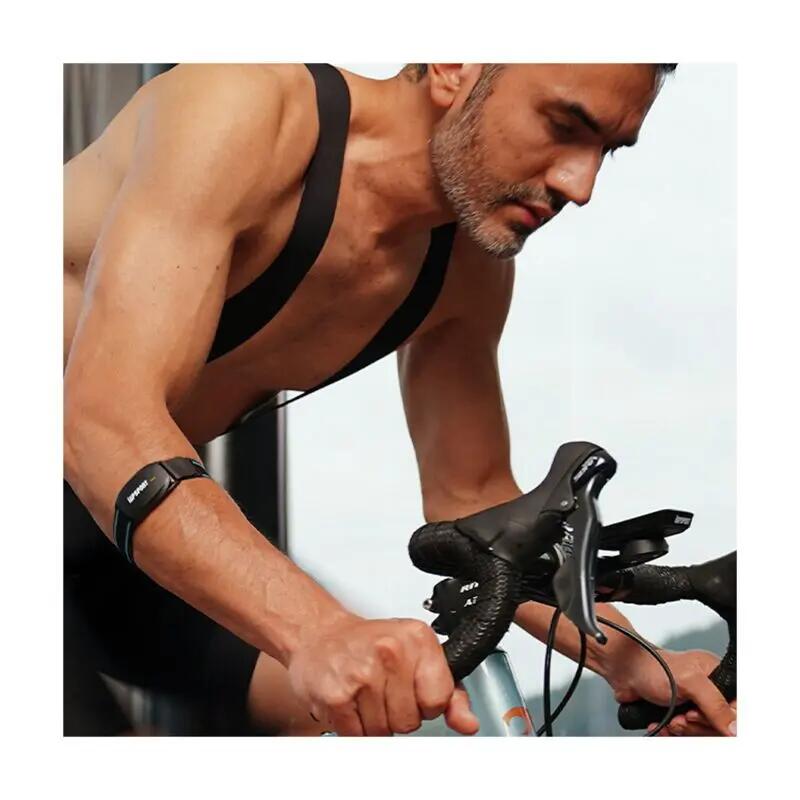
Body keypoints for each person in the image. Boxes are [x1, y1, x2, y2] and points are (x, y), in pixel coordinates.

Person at [63, 63, 736, 737]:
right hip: (99, 472)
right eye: (564, 126)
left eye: (606, 151)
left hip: (113, 538)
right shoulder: (243, 109)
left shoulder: (464, 269)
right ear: (453, 65)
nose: (580, 185)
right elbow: (102, 420)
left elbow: (474, 506)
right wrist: (319, 630)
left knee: (362, 713)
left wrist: (634, 660)